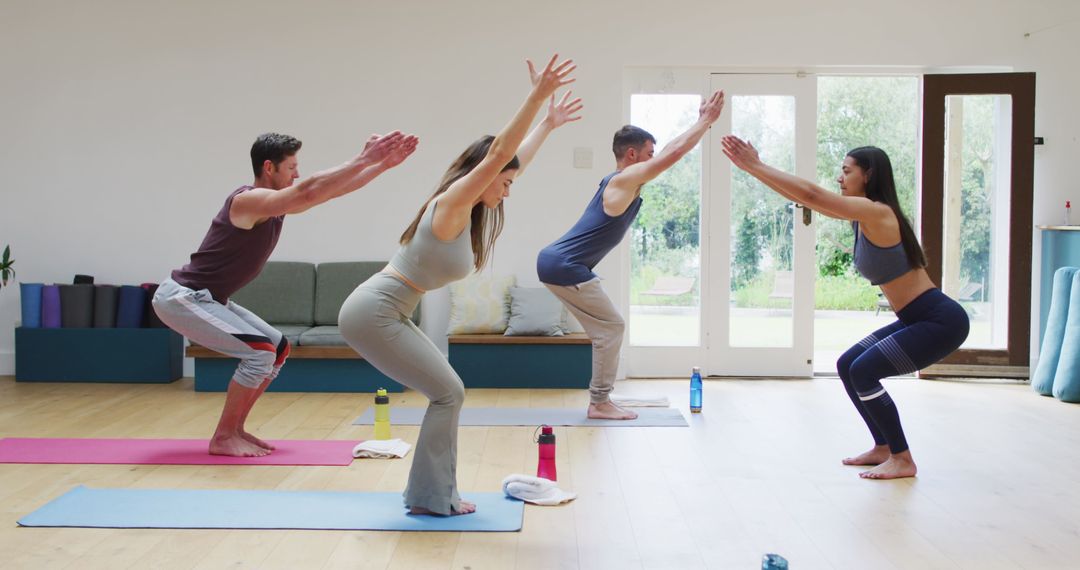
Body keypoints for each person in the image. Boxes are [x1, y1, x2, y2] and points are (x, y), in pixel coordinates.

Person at [337, 55, 580, 515]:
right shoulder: (451, 203)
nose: (507, 190)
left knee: (448, 391)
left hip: (389, 310)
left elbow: (510, 161)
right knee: (449, 392)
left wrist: (547, 126)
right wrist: (536, 95)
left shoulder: (468, 208)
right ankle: (431, 497)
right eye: (503, 183)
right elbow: (497, 157)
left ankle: (429, 495)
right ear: (484, 176)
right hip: (374, 309)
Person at [153, 130, 418, 457]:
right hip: (183, 297)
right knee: (260, 352)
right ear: (269, 167)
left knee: (276, 348)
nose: (297, 174)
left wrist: (381, 166)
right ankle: (223, 436)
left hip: (209, 298)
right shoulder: (247, 200)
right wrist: (364, 159)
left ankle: (235, 430)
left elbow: (329, 190)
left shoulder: (275, 205)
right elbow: (308, 192)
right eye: (291, 167)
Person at [722, 136, 969, 479]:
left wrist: (756, 164)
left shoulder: (877, 212)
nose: (840, 177)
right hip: (917, 316)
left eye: (846, 170)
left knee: (865, 371)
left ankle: (902, 458)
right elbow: (802, 198)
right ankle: (883, 447)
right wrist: (752, 169)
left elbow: (812, 195)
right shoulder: (861, 215)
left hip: (939, 319)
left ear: (867, 175)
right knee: (848, 363)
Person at [537, 91, 725, 420]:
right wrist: (705, 121)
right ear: (633, 154)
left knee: (605, 330)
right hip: (565, 266)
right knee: (611, 328)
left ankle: (601, 397)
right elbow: (673, 154)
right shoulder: (622, 180)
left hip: (560, 264)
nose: (655, 159)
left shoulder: (623, 183)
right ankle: (599, 402)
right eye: (649, 154)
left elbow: (667, 152)